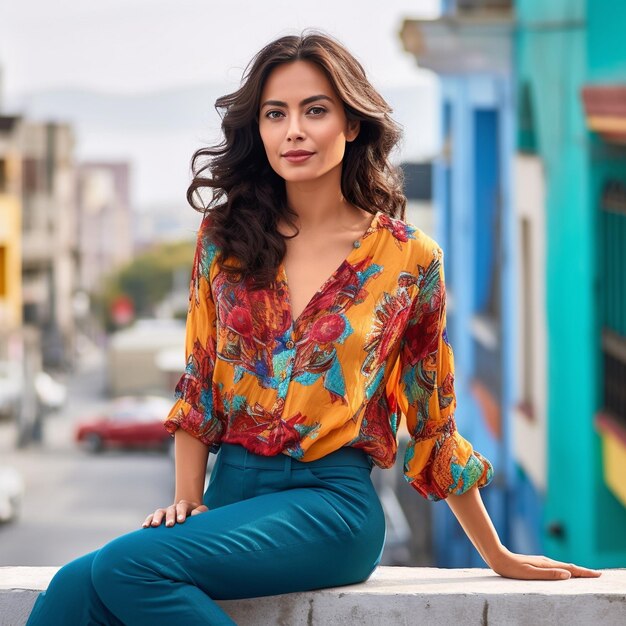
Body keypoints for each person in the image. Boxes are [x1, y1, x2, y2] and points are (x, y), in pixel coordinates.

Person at [26, 30, 601, 626]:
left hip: (332, 505)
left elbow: (433, 422)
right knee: (72, 589)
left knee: (125, 567)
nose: (293, 130)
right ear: (261, 130)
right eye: (276, 114)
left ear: (351, 125)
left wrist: (496, 553)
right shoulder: (224, 239)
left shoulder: (408, 259)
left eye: (315, 110)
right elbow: (199, 387)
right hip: (232, 494)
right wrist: (188, 504)